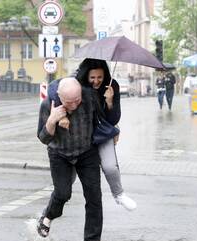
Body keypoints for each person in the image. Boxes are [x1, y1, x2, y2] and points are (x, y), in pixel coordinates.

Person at [49, 59, 137, 211]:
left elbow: (113, 119)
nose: (96, 81)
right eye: (92, 78)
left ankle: (119, 195)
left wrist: (110, 102)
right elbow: (52, 89)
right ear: (85, 75)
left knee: (110, 167)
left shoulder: (112, 85)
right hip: (79, 134)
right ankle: (51, 209)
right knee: (67, 181)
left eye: (100, 77)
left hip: (101, 132)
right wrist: (61, 115)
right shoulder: (76, 82)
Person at [37, 77, 105, 241]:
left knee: (94, 196)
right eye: (69, 102)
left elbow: (104, 118)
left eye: (77, 100)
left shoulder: (89, 98)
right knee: (62, 193)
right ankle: (48, 215)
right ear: (59, 96)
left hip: (86, 152)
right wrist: (52, 121)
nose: (74, 105)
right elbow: (43, 138)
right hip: (59, 153)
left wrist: (114, 129)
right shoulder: (47, 104)